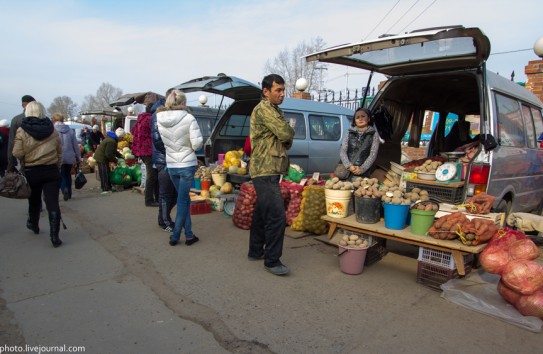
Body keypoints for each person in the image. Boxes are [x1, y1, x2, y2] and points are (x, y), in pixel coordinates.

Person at [248, 74, 295, 276]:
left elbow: (286, 137)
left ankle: (255, 251)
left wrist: (286, 134)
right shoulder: (265, 109)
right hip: (265, 169)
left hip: (268, 168)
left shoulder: (274, 109)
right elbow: (286, 134)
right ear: (266, 91)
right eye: (278, 90)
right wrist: (288, 133)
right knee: (276, 216)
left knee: (261, 212)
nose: (282, 94)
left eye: (283, 90)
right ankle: (272, 260)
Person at [12, 101, 63, 247]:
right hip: (51, 170)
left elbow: (17, 152)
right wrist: (56, 166)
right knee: (53, 203)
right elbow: (59, 153)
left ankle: (34, 225)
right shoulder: (52, 130)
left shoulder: (22, 131)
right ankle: (55, 237)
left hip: (32, 171)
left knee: (34, 201)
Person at [156, 89, 203, 246]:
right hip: (186, 164)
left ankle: (189, 235)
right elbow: (197, 144)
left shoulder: (159, 118)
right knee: (183, 201)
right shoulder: (189, 118)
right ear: (183, 103)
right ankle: (176, 235)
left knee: (183, 200)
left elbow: (162, 142)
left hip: (172, 164)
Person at [151, 88, 178, 232]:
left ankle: (163, 217)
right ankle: (165, 222)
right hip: (164, 160)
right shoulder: (158, 114)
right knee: (166, 192)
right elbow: (157, 140)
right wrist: (171, 153)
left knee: (174, 193)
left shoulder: (172, 113)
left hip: (172, 159)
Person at [339, 107, 380, 179]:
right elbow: (343, 151)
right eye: (357, 117)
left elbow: (373, 154)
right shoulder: (349, 133)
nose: (360, 119)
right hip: (346, 172)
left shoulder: (374, 134)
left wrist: (362, 169)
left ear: (369, 119)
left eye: (363, 116)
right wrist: (349, 166)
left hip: (362, 173)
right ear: (355, 121)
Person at [132, 104, 159, 207]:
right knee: (152, 175)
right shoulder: (150, 119)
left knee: (153, 174)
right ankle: (149, 200)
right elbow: (156, 133)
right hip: (148, 150)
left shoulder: (140, 118)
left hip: (141, 151)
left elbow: (133, 131)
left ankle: (155, 198)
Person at [52, 113, 81, 201]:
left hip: (58, 156)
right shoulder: (70, 130)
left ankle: (64, 188)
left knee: (60, 175)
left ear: (54, 120)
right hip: (69, 155)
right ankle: (69, 194)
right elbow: (75, 145)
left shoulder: (52, 130)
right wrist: (79, 156)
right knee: (68, 174)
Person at [7, 95, 35, 172]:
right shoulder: (44, 119)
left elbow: (12, 142)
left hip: (25, 159)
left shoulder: (16, 120)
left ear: (23, 106)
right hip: (45, 161)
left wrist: (11, 163)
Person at [93, 129, 123, 194]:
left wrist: (120, 155)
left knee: (106, 172)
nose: (122, 139)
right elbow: (108, 154)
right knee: (104, 173)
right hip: (101, 158)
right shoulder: (111, 141)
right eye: (122, 137)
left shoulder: (111, 139)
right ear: (119, 136)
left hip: (101, 157)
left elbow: (113, 151)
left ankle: (108, 187)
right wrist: (116, 161)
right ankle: (105, 188)